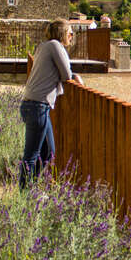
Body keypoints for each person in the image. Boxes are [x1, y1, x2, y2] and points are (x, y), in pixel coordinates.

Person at [19, 18, 83, 188]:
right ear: (62, 33)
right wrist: (75, 76)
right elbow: (65, 75)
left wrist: (72, 74)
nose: (72, 36)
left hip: (34, 105)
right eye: (70, 32)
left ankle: (32, 189)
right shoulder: (55, 46)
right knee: (31, 155)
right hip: (37, 106)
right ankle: (24, 197)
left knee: (48, 152)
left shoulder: (43, 46)